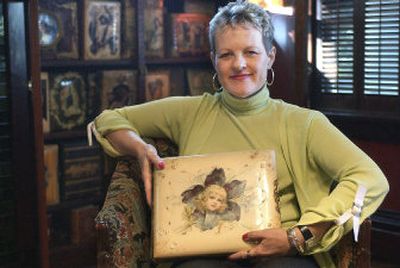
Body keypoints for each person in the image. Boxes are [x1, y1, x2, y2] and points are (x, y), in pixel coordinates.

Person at [91, 0, 389, 267]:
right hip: (199, 254)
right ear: (213, 60)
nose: (239, 64)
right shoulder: (188, 112)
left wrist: (299, 235)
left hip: (283, 254)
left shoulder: (304, 123)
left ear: (270, 56)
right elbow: (108, 120)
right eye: (226, 54)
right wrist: (139, 148)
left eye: (251, 52)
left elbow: (370, 179)